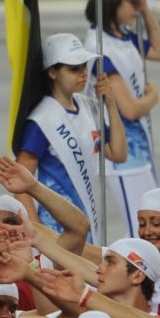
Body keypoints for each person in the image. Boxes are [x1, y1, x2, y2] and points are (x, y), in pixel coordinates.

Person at [16, 34, 127, 237]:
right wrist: (35, 228)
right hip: (57, 227)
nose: (83, 73)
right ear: (53, 72)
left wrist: (111, 104)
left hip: (90, 221)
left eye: (84, 66)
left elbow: (118, 154)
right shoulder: (43, 119)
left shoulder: (89, 106)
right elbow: (19, 181)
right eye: (74, 68)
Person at [90, 0, 160, 234]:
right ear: (112, 0)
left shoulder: (125, 37)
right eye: (133, 1)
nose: (137, 6)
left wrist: (146, 11)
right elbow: (130, 109)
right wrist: (153, 97)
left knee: (153, 226)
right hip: (121, 157)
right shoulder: (99, 47)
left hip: (138, 150)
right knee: (142, 231)